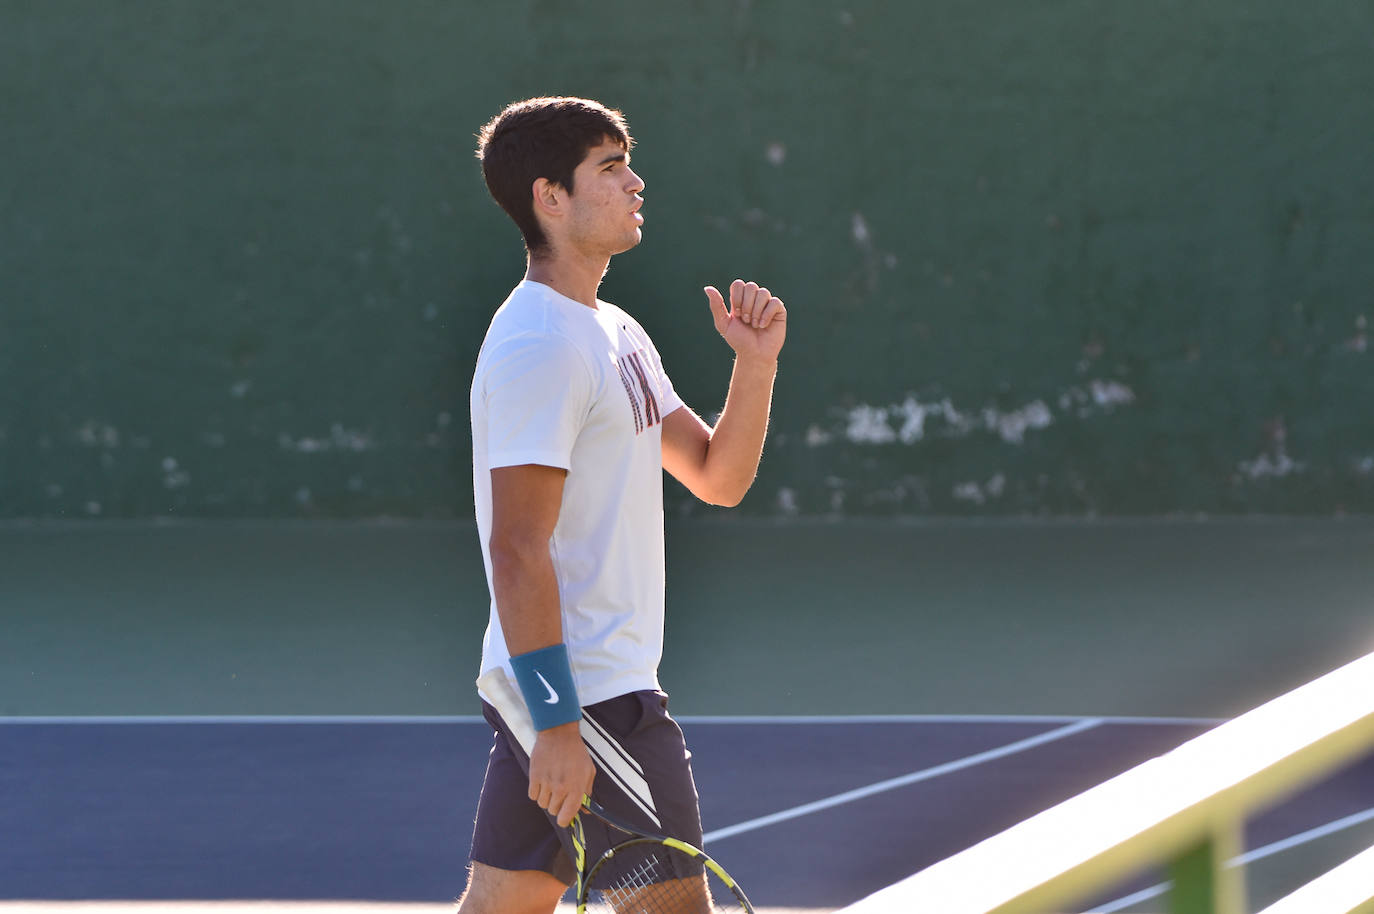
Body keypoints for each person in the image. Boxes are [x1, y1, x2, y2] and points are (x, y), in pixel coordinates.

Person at [458, 96, 786, 914]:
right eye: (610, 168)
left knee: (505, 905)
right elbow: (517, 546)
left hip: (577, 689)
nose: (636, 182)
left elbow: (718, 476)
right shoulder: (539, 345)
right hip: (590, 697)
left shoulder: (616, 332)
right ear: (550, 197)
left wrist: (755, 367)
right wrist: (560, 724)